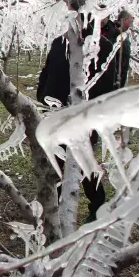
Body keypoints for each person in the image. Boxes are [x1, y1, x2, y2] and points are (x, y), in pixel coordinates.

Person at [37, 12, 108, 223]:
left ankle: (98, 204)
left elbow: (105, 81)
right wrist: (45, 97)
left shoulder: (99, 45)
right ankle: (56, 204)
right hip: (57, 112)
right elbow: (46, 72)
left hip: (85, 114)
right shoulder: (59, 42)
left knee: (83, 160)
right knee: (57, 159)